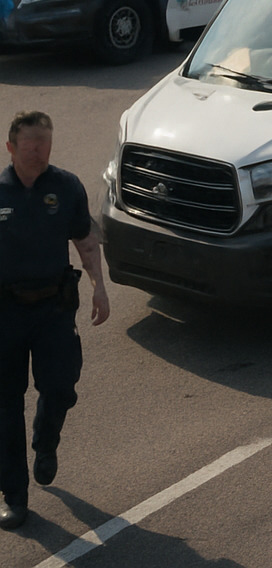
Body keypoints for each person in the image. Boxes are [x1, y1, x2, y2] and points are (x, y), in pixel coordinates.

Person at [0, 112, 109, 530]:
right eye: (30, 144)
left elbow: (84, 239)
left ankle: (46, 441)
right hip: (6, 312)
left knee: (61, 386)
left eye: (44, 143)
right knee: (5, 405)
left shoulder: (65, 187)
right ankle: (14, 495)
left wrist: (99, 286)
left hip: (53, 309)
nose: (38, 151)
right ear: (11, 148)